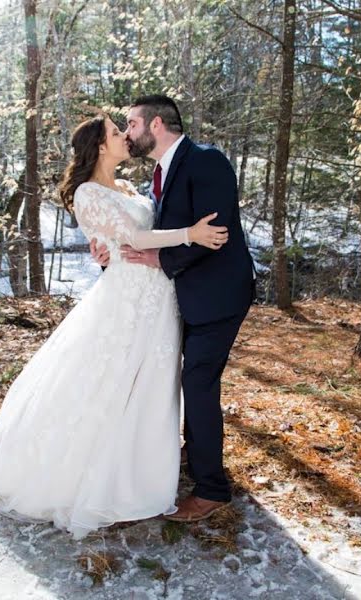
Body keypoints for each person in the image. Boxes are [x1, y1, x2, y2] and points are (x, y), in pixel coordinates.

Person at [0, 113, 229, 541]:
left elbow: (127, 235)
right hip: (126, 299)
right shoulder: (87, 193)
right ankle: (84, 473)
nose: (125, 137)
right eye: (117, 132)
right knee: (105, 381)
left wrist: (118, 247)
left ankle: (140, 465)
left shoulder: (129, 187)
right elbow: (134, 237)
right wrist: (190, 233)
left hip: (158, 299)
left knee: (150, 384)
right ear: (99, 145)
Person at [90, 94, 256, 522]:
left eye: (131, 123)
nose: (127, 132)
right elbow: (153, 232)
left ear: (156, 124)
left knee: (197, 383)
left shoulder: (206, 160)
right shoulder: (160, 175)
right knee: (168, 376)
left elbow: (214, 232)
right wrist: (110, 249)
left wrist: (163, 260)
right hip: (180, 298)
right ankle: (192, 448)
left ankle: (212, 490)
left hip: (219, 295)